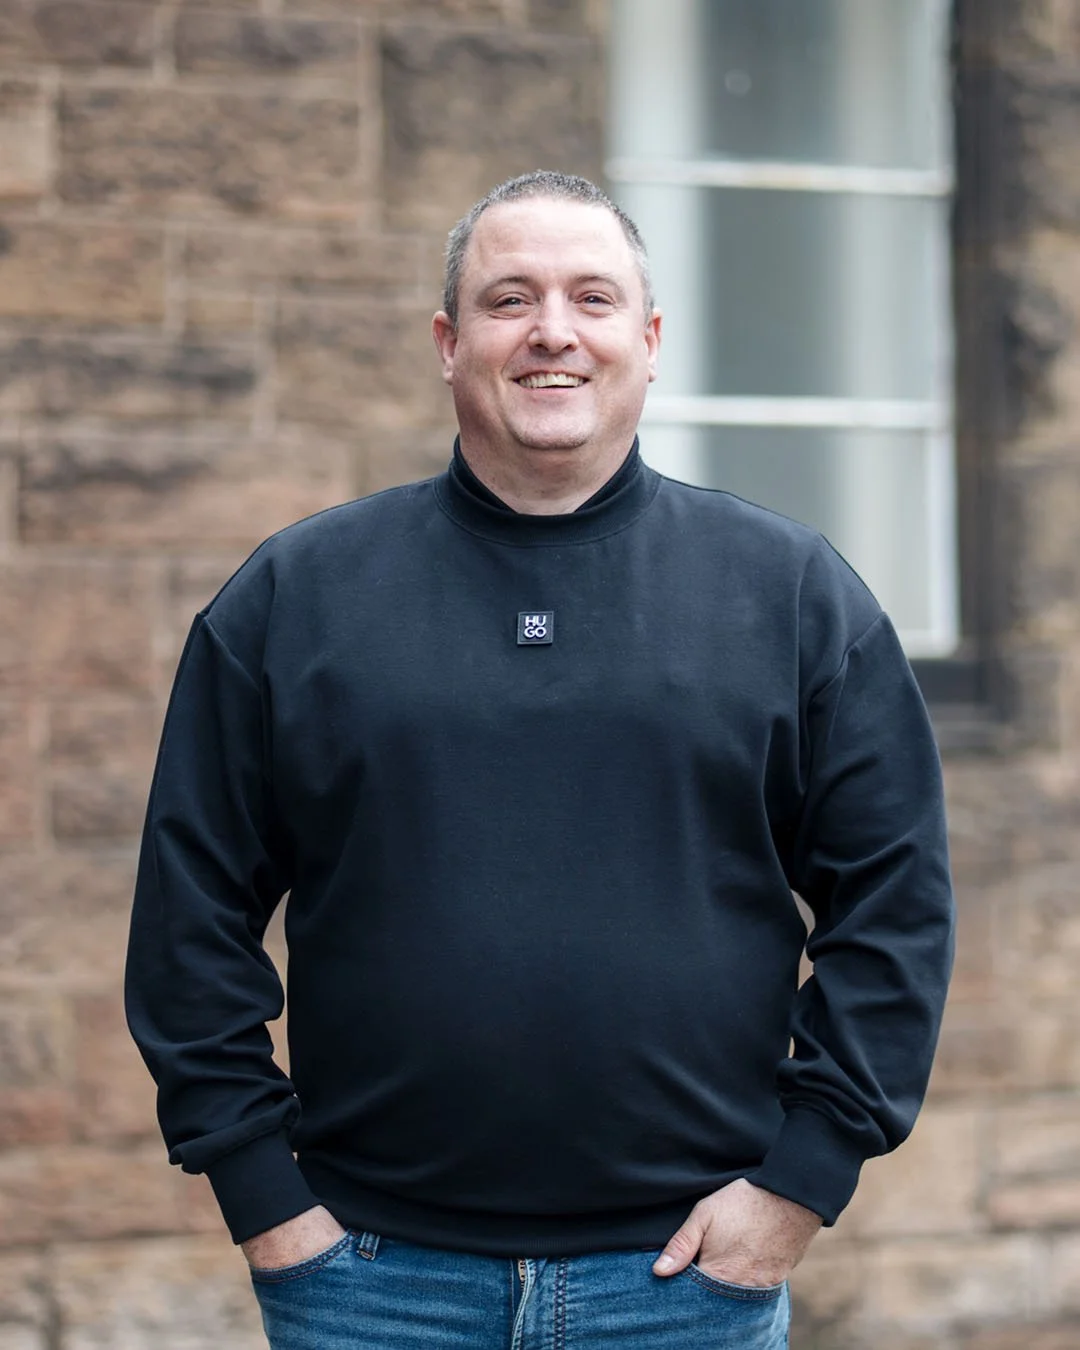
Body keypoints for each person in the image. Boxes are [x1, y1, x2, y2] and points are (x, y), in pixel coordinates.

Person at [125, 170, 954, 1349]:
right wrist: (266, 1201)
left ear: (650, 341)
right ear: (448, 344)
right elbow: (187, 916)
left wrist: (800, 1185)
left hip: (683, 1286)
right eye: (510, 299)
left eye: (592, 298)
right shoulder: (296, 599)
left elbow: (897, 905)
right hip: (371, 1283)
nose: (552, 331)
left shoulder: (792, 596)